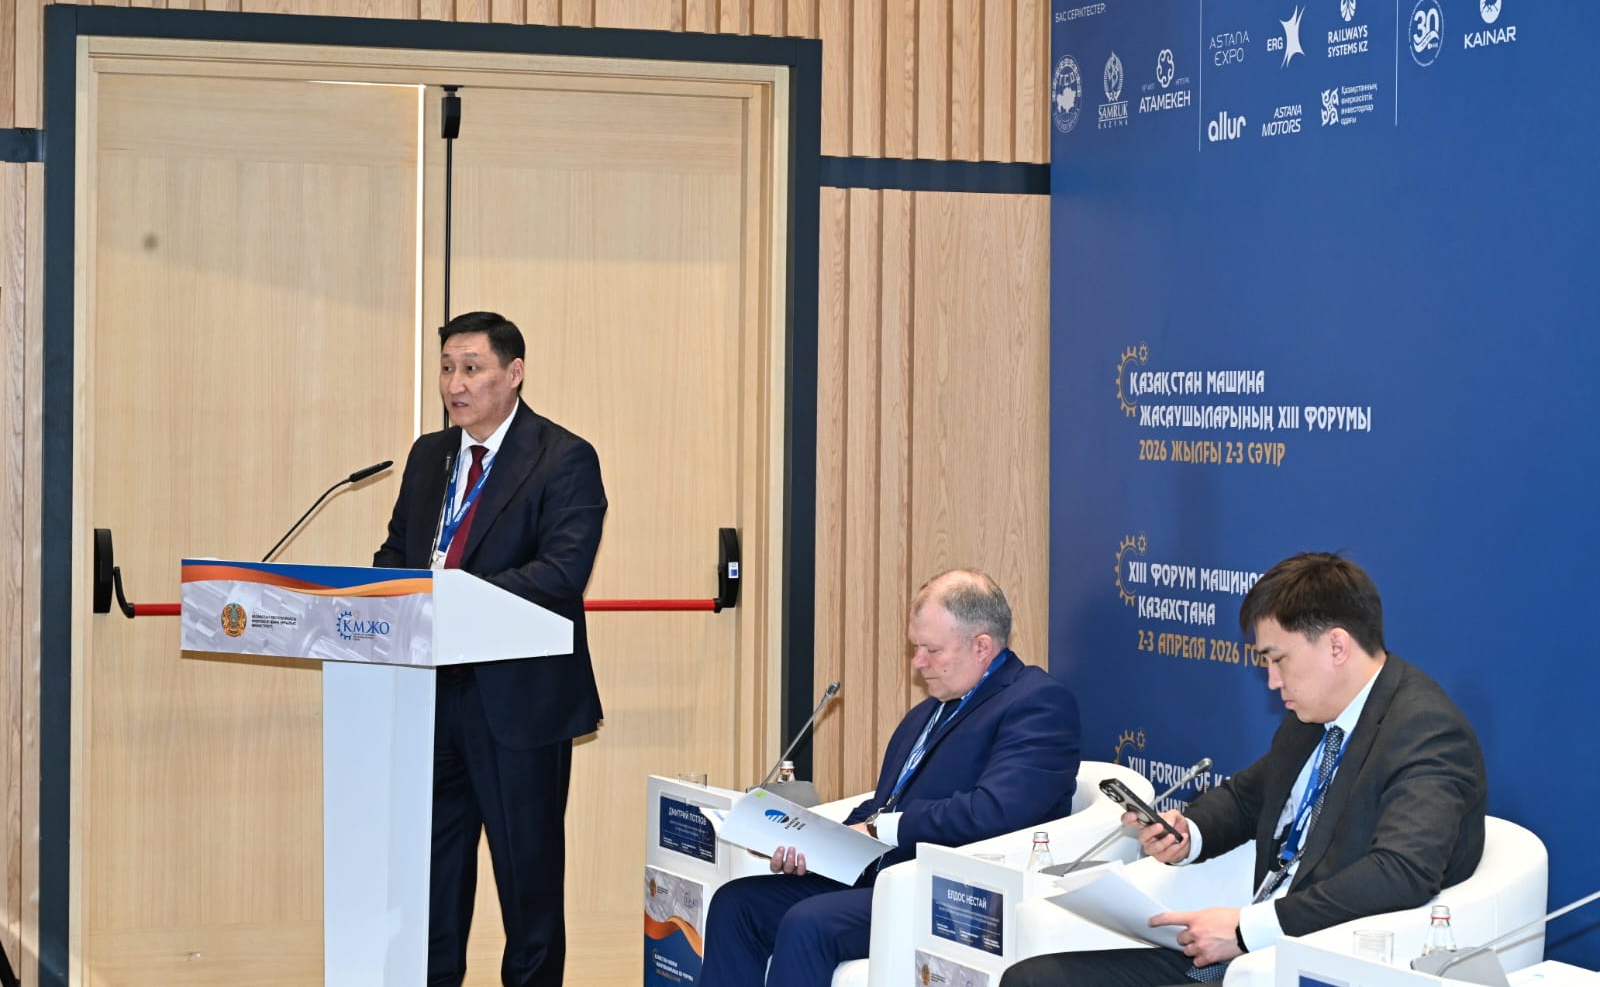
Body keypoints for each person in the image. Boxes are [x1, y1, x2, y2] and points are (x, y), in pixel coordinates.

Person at [1002, 552, 1487, 987]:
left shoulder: (1425, 730)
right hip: (1239, 956)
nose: (1272, 681)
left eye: (1279, 660)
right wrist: (1188, 834)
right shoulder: (1313, 717)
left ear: (1337, 647)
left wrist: (1245, 929)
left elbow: (1401, 871)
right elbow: (1246, 798)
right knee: (1032, 979)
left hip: (1303, 962)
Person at [700, 569, 1083, 987]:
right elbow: (883, 804)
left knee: (809, 922)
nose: (918, 662)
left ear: (981, 646)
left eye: (931, 650)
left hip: (952, 894)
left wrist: (881, 827)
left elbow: (995, 812)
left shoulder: (1037, 703)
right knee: (736, 904)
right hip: (878, 876)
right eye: (916, 647)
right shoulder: (929, 711)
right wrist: (811, 842)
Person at [374, 310, 607, 987]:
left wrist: (451, 595)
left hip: (518, 705)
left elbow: (560, 574)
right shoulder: (429, 457)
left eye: (471, 368)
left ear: (514, 373)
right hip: (431, 697)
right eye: (447, 368)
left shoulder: (563, 458)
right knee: (433, 879)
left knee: (528, 889)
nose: (455, 383)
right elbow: (396, 555)